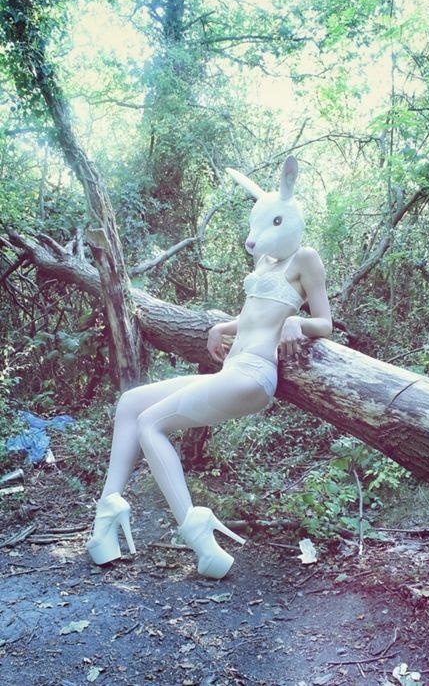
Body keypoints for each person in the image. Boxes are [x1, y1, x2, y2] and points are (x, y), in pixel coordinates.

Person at [86, 156, 332, 579]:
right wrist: (223, 326)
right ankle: (106, 518)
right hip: (230, 371)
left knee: (150, 424)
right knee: (131, 403)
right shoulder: (264, 263)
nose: (256, 238)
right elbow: (255, 316)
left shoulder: (305, 258)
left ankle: (196, 533)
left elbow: (325, 323)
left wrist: (297, 322)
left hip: (254, 375)